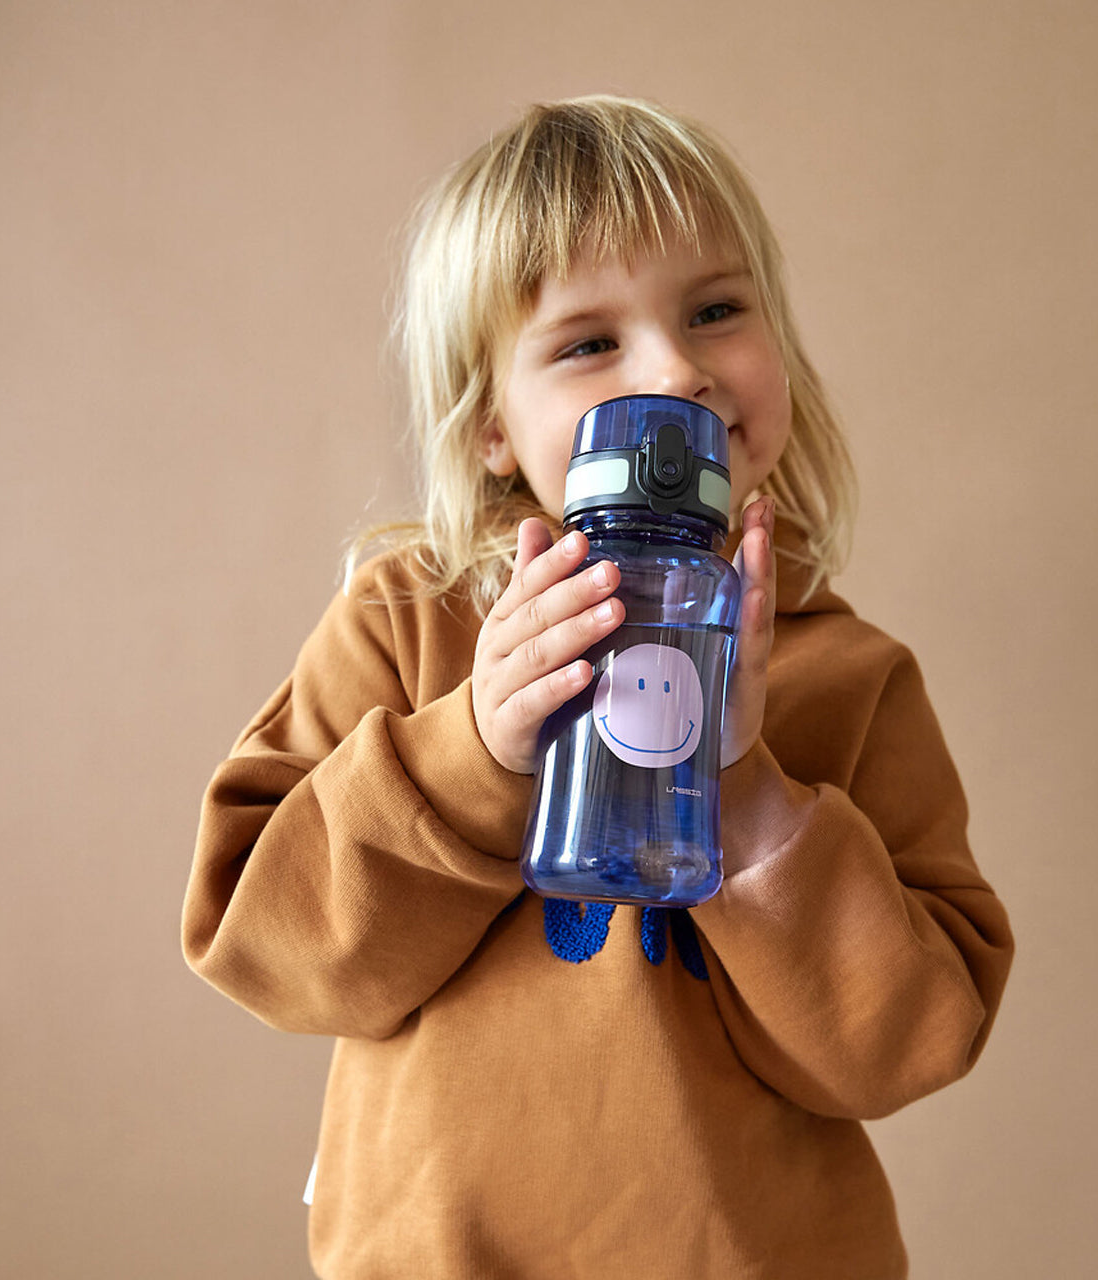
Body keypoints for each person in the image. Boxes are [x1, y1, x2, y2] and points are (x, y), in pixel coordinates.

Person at [182, 95, 1014, 1279]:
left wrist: (746, 792)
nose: (676, 369)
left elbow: (910, 1041)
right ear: (487, 428)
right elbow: (264, 942)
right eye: (587, 341)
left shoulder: (849, 674)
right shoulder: (405, 621)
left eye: (716, 310)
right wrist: (470, 745)